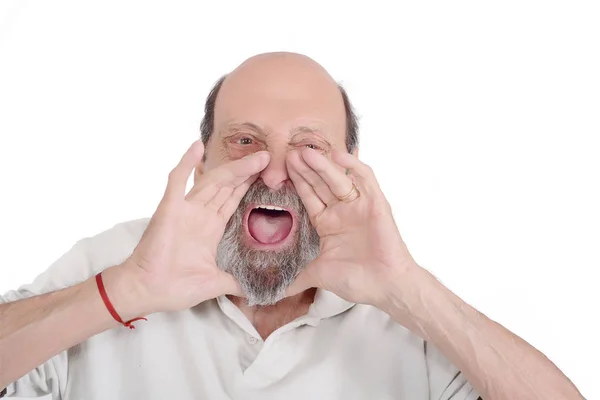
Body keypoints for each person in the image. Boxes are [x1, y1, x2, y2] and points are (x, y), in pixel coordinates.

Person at [0, 52, 583, 400]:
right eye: (246, 141)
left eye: (309, 147)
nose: (275, 175)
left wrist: (404, 285)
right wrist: (127, 290)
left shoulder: (402, 311)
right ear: (203, 160)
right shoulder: (119, 261)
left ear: (350, 170)